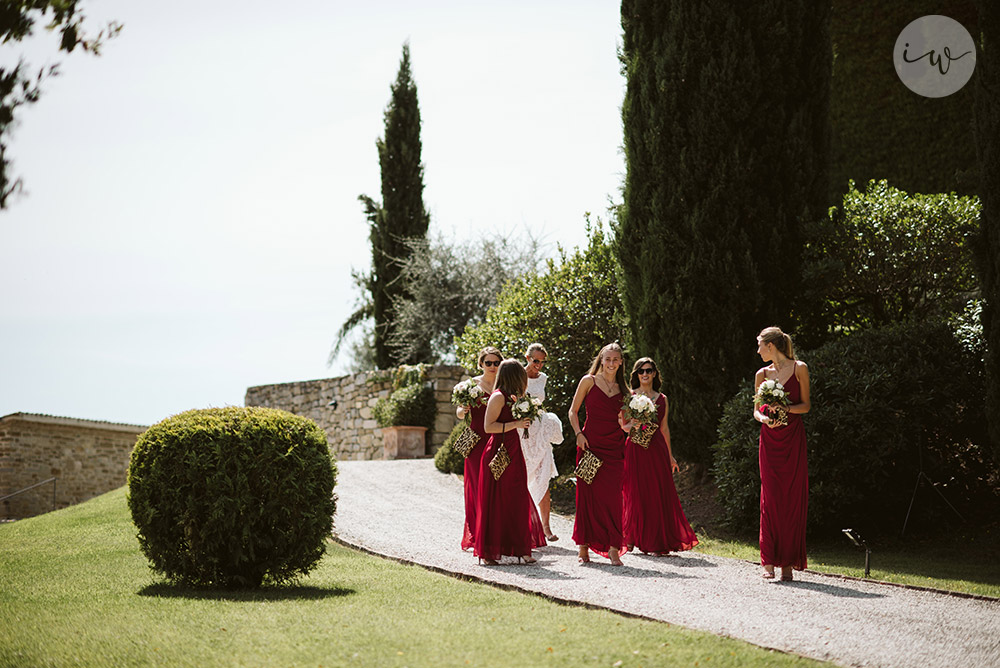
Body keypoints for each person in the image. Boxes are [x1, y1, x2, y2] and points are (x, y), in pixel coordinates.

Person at [621, 357, 698, 555]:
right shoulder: (629, 396)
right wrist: (633, 426)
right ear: (636, 375)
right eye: (641, 371)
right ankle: (631, 536)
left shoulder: (662, 399)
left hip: (655, 449)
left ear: (654, 373)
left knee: (655, 492)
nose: (645, 374)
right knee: (634, 491)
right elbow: (623, 424)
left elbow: (664, 428)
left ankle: (655, 540)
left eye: (648, 370)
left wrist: (670, 456)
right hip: (635, 448)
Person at [754, 326, 811, 581]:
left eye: (760, 345)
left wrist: (783, 407)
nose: (757, 350)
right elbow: (756, 410)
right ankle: (768, 561)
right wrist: (765, 419)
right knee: (770, 496)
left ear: (771, 346)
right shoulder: (761, 374)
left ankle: (787, 564)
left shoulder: (800, 368)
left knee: (791, 497)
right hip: (770, 439)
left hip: (792, 440)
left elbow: (806, 406)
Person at [475, 359, 542, 565]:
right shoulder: (497, 397)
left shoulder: (517, 398)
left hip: (514, 450)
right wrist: (517, 423)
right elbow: (488, 427)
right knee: (496, 500)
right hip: (498, 452)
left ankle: (521, 549)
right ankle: (488, 552)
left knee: (518, 498)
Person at [567, 342, 628, 566]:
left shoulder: (625, 390)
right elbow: (573, 411)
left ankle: (613, 548)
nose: (611, 363)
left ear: (621, 362)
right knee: (587, 496)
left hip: (614, 448)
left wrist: (636, 423)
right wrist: (578, 434)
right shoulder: (588, 381)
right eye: (608, 359)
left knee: (613, 498)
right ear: (601, 360)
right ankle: (583, 547)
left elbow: (624, 423)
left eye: (615, 360)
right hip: (589, 446)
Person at [457, 346, 501, 550]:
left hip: (499, 439)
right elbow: (459, 412)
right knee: (476, 486)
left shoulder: (505, 384)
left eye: (496, 363)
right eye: (488, 363)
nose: (492, 366)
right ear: (481, 364)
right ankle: (477, 533)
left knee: (498, 485)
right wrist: (462, 410)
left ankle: (497, 532)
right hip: (475, 440)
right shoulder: (471, 385)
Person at [520, 343, 562, 541]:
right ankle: (522, 525)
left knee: (543, 476)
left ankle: (546, 527)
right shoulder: (517, 374)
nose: (539, 365)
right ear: (527, 357)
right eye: (535, 360)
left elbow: (541, 404)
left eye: (542, 362)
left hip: (540, 432)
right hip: (521, 430)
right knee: (522, 478)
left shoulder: (543, 378)